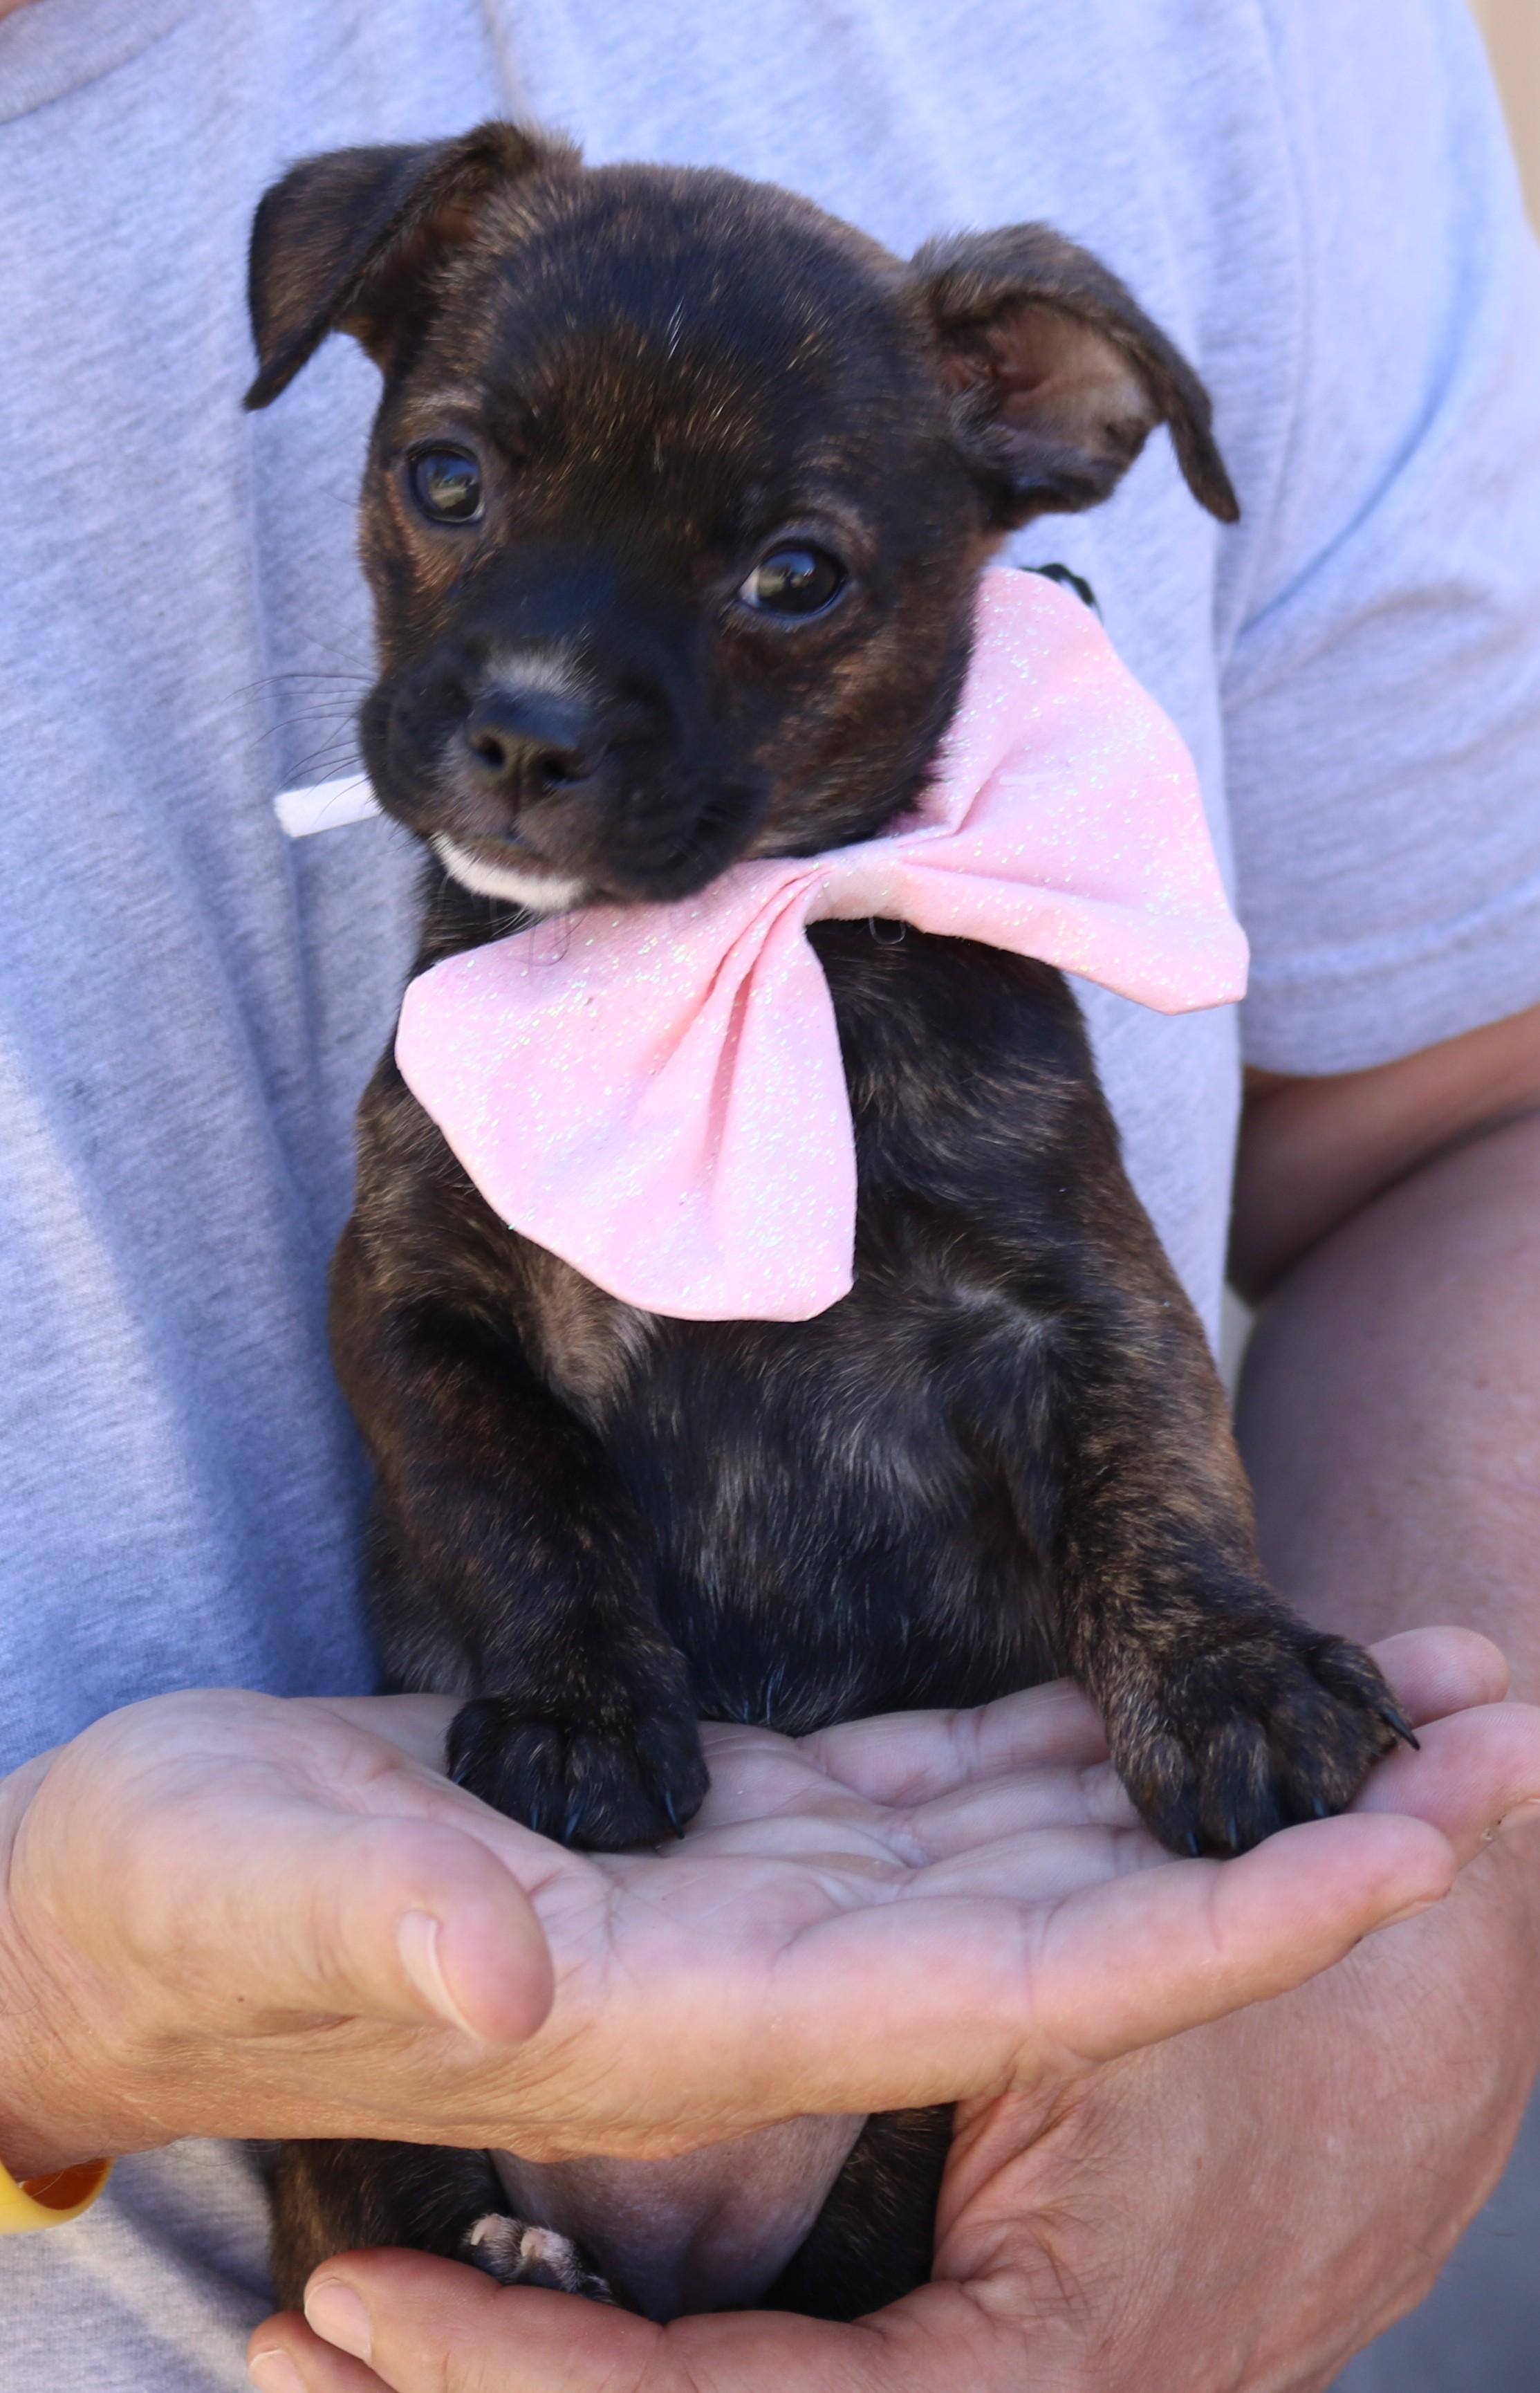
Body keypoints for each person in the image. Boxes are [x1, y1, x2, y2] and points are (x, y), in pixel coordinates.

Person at [1, 1, 1538, 2388]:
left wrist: (1383, 1966)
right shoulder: (483, 1008)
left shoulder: (1252, 52)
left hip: (1024, 2058)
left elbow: (1180, 1267)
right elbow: (430, 1317)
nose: (532, 686)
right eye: (456, 489)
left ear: (1036, 419)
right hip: (345, 2167)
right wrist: (48, 2005)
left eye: (787, 577)